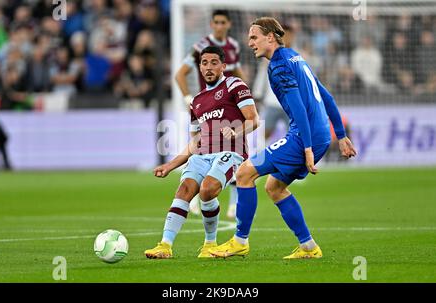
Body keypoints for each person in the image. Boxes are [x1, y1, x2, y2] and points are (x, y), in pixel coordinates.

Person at [209, 17, 357, 259]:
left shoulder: (278, 65)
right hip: (316, 135)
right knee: (275, 187)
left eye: (254, 37)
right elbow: (325, 94)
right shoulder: (295, 57)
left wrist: (307, 148)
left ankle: (239, 241)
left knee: (245, 173)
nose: (250, 43)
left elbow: (298, 108)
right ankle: (309, 247)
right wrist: (340, 135)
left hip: (303, 136)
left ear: (270, 37)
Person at [144, 46, 259, 259]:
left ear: (223, 66)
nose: (208, 67)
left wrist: (236, 131)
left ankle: (209, 243)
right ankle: (165, 246)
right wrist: (170, 165)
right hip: (202, 154)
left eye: (214, 62)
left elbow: (254, 119)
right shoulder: (196, 101)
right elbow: (196, 141)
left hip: (231, 154)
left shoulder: (235, 85)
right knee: (184, 189)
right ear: (199, 67)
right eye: (204, 63)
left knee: (207, 190)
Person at [175, 9, 246, 218]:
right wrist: (189, 98)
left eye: (223, 22)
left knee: (235, 151)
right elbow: (180, 74)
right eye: (216, 22)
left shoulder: (233, 46)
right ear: (212, 24)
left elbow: (238, 72)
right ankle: (195, 196)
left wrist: (246, 93)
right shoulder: (200, 48)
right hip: (205, 108)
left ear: (229, 24)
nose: (219, 26)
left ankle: (234, 204)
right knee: (201, 151)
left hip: (232, 106)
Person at [252, 23, 294, 143]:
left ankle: (295, 159)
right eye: (284, 36)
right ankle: (262, 158)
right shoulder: (269, 56)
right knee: (265, 134)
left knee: (294, 134)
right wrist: (257, 96)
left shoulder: (297, 56)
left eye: (289, 36)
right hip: (272, 102)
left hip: (291, 104)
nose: (286, 39)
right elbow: (261, 78)